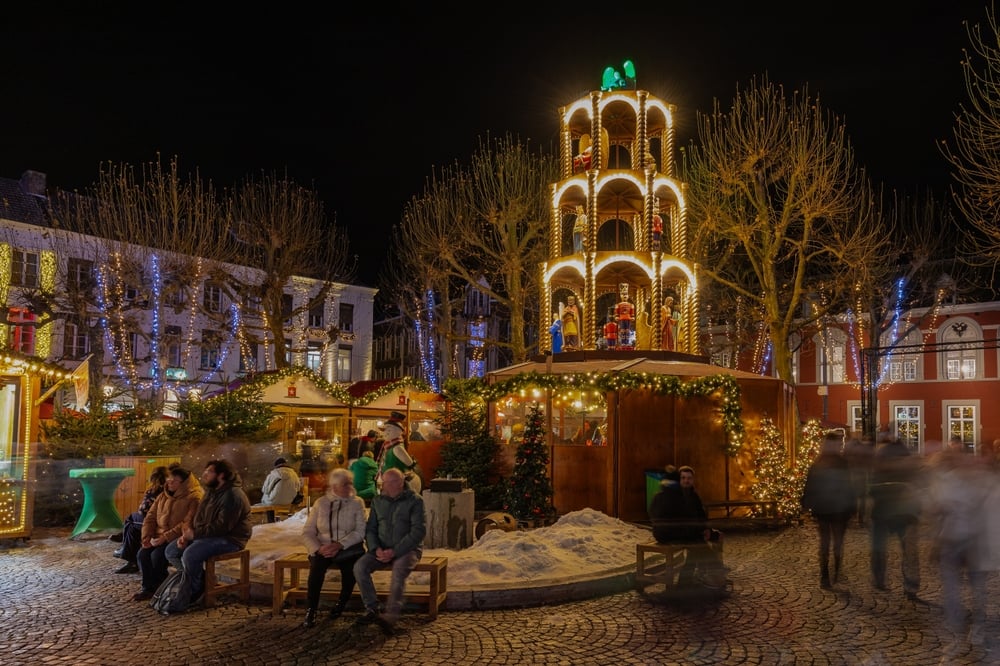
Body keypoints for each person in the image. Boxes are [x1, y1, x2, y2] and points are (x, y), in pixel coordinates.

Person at [164, 459, 252, 611]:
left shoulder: (233, 495)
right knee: (171, 551)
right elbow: (199, 518)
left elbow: (222, 527)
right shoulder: (211, 492)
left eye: (209, 471)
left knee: (191, 555)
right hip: (208, 536)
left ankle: (194, 592)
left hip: (230, 538)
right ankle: (203, 582)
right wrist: (187, 536)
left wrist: (195, 535)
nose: (204, 474)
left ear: (221, 475)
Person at [352, 467, 427, 635]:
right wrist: (375, 548)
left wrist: (394, 551)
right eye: (384, 482)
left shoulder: (415, 501)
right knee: (360, 567)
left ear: (400, 483)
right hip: (381, 548)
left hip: (408, 550)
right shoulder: (378, 501)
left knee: (399, 571)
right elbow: (370, 529)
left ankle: (390, 617)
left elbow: (418, 531)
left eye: (389, 482)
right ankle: (372, 608)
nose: (386, 486)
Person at [300, 468, 367, 628]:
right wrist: (318, 548)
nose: (349, 486)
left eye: (350, 483)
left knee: (351, 569)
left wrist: (340, 544)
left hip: (348, 548)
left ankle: (341, 604)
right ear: (335, 486)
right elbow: (308, 531)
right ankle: (311, 608)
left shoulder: (357, 503)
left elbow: (360, 531)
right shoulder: (321, 503)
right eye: (345, 484)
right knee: (316, 568)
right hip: (323, 547)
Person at [132, 465, 203, 602]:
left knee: (157, 556)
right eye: (168, 480)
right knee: (142, 554)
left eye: (173, 481)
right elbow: (150, 517)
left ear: (183, 483)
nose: (169, 483)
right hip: (158, 536)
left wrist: (165, 537)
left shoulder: (194, 497)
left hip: (177, 537)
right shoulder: (163, 496)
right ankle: (148, 588)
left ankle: (161, 587)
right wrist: (147, 537)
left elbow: (186, 522)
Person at [648, 465, 725, 587]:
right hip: (671, 533)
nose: (686, 481)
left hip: (677, 531)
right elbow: (680, 519)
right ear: (678, 481)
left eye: (689, 478)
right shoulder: (675, 496)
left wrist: (706, 529)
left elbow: (699, 516)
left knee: (704, 541)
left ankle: (693, 578)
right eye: (683, 478)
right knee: (698, 544)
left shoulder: (690, 495)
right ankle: (709, 576)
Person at [868, 433, 923, 599]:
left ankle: (879, 578)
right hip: (905, 514)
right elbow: (917, 489)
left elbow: (872, 490)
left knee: (879, 547)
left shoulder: (880, 465)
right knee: (908, 551)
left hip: (883, 512)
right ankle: (911, 585)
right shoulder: (907, 464)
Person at [801, 432, 855, 588]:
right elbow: (849, 486)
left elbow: (810, 486)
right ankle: (836, 571)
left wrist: (807, 504)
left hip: (823, 508)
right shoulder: (842, 463)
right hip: (838, 509)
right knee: (837, 542)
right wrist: (852, 505)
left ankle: (825, 575)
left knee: (825, 542)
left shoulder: (818, 462)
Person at [112, 465, 168, 574]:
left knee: (131, 519)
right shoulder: (168, 488)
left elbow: (143, 510)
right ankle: (126, 548)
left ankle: (126, 549)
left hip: (154, 521)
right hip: (156, 519)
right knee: (132, 526)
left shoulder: (154, 489)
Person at [377, 411, 422, 493]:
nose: (386, 433)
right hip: (388, 479)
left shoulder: (397, 448)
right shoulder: (388, 446)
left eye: (389, 430)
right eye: (385, 430)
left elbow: (409, 463)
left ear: (398, 431)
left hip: (398, 481)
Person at [845, 434, 875, 527]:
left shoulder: (848, 447)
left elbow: (845, 460)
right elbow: (869, 462)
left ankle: (851, 516)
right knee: (862, 497)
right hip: (861, 475)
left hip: (850, 474)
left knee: (851, 496)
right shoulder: (862, 448)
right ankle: (860, 518)